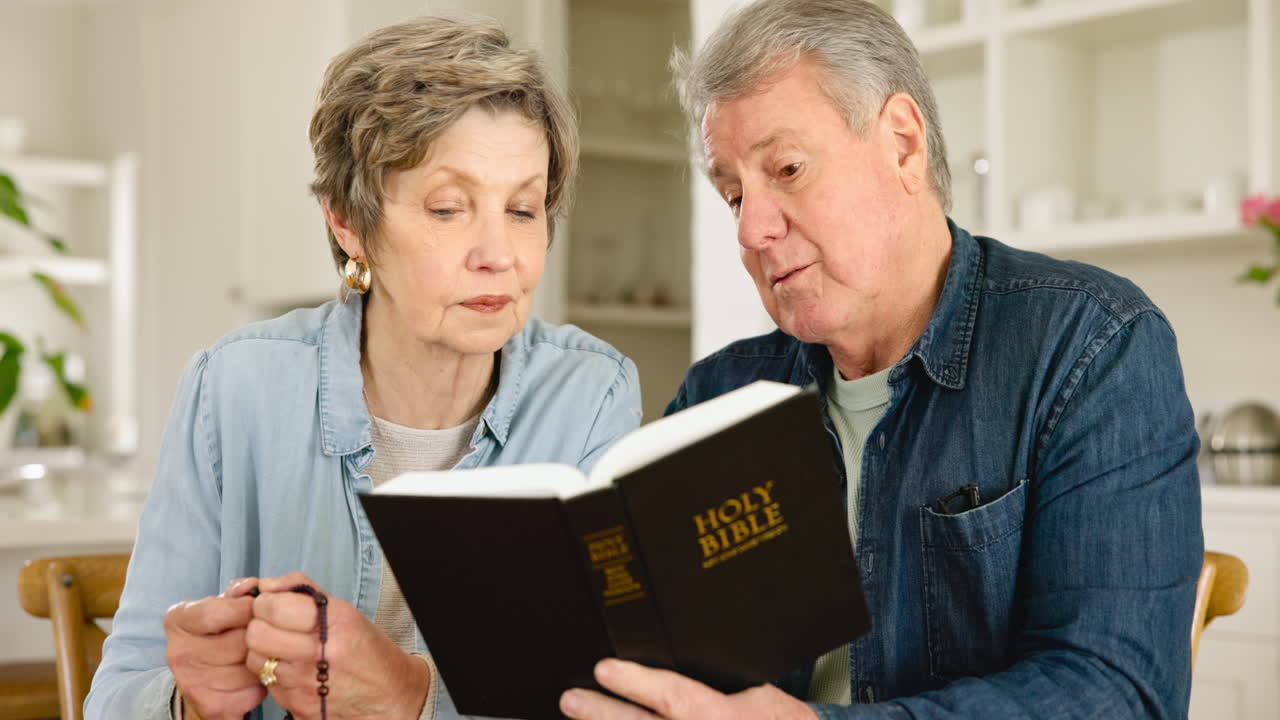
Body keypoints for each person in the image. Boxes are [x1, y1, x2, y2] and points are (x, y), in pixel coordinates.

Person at [559, 1, 1202, 718]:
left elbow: (1118, 694)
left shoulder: (1091, 347)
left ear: (902, 143)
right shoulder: (721, 390)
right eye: (733, 193)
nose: (751, 228)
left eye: (789, 169)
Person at [87, 16, 641, 720]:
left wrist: (415, 697)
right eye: (449, 208)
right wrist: (187, 704)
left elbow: (608, 699)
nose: (500, 252)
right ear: (349, 221)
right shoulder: (234, 388)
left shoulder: (591, 396)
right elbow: (118, 696)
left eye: (524, 209)